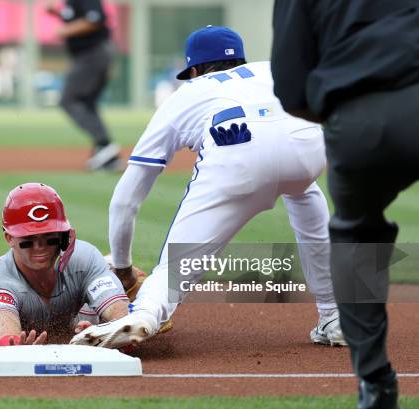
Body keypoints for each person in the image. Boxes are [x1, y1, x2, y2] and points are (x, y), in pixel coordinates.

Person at [71, 26, 345, 349]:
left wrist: (121, 266)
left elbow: (125, 199)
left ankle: (145, 313)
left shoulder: (185, 94)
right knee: (305, 192)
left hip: (236, 159)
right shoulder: (270, 69)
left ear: (196, 70)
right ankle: (335, 316)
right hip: (308, 149)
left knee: (176, 266)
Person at [271, 2, 419, 408]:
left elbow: (290, 88)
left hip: (358, 115)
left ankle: (375, 383)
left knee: (357, 234)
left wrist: (348, 118)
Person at [0, 183, 130, 346]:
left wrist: (117, 335)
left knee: (90, 321)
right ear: (9, 238)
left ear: (63, 235)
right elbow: (0, 330)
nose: (40, 248)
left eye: (49, 238)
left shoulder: (84, 257)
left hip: (63, 308)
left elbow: (123, 322)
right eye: (28, 240)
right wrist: (14, 344)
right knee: (90, 315)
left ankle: (107, 271)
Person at [46, 0, 120, 171]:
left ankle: (105, 145)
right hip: (93, 54)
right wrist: (57, 14)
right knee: (86, 103)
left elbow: (95, 19)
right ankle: (106, 153)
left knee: (69, 100)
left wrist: (65, 30)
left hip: (93, 54)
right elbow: (78, 17)